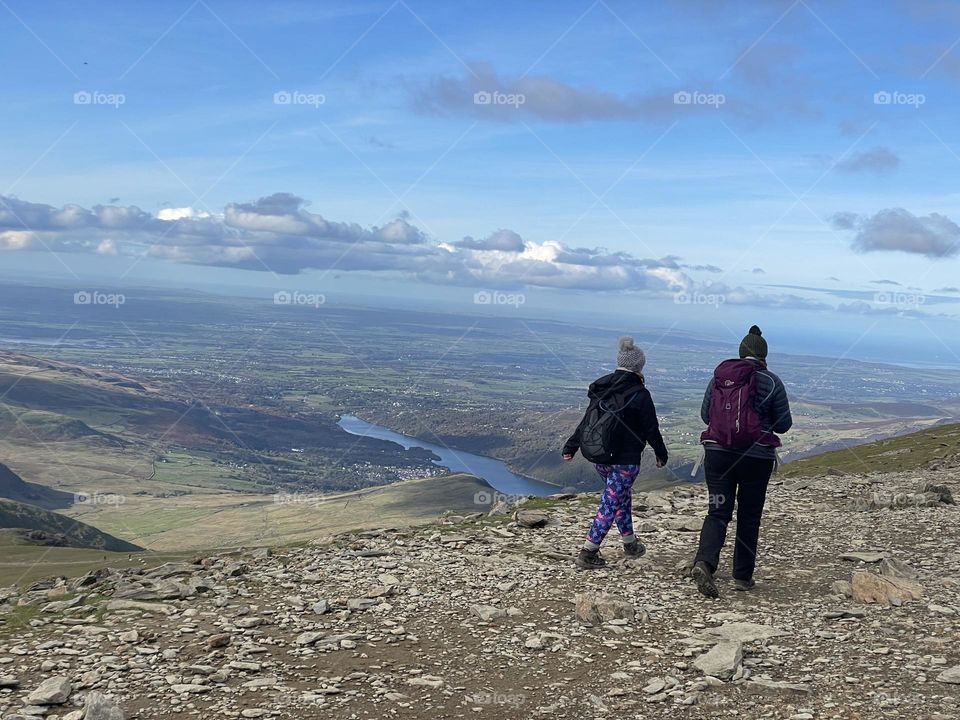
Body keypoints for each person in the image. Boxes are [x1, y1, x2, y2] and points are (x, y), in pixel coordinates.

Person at [691, 325, 792, 598]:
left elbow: (705, 416)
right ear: (763, 355)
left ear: (740, 353)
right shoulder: (771, 381)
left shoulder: (719, 379)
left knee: (717, 511)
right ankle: (742, 577)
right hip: (755, 459)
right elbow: (783, 424)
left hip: (718, 455)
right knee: (749, 516)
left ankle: (704, 563)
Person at [562, 336, 669, 570]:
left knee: (620, 497)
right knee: (610, 502)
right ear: (639, 366)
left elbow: (586, 421)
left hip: (600, 456)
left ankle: (630, 543)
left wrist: (572, 445)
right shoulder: (640, 394)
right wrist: (661, 453)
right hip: (625, 460)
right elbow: (651, 428)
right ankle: (588, 552)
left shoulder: (603, 388)